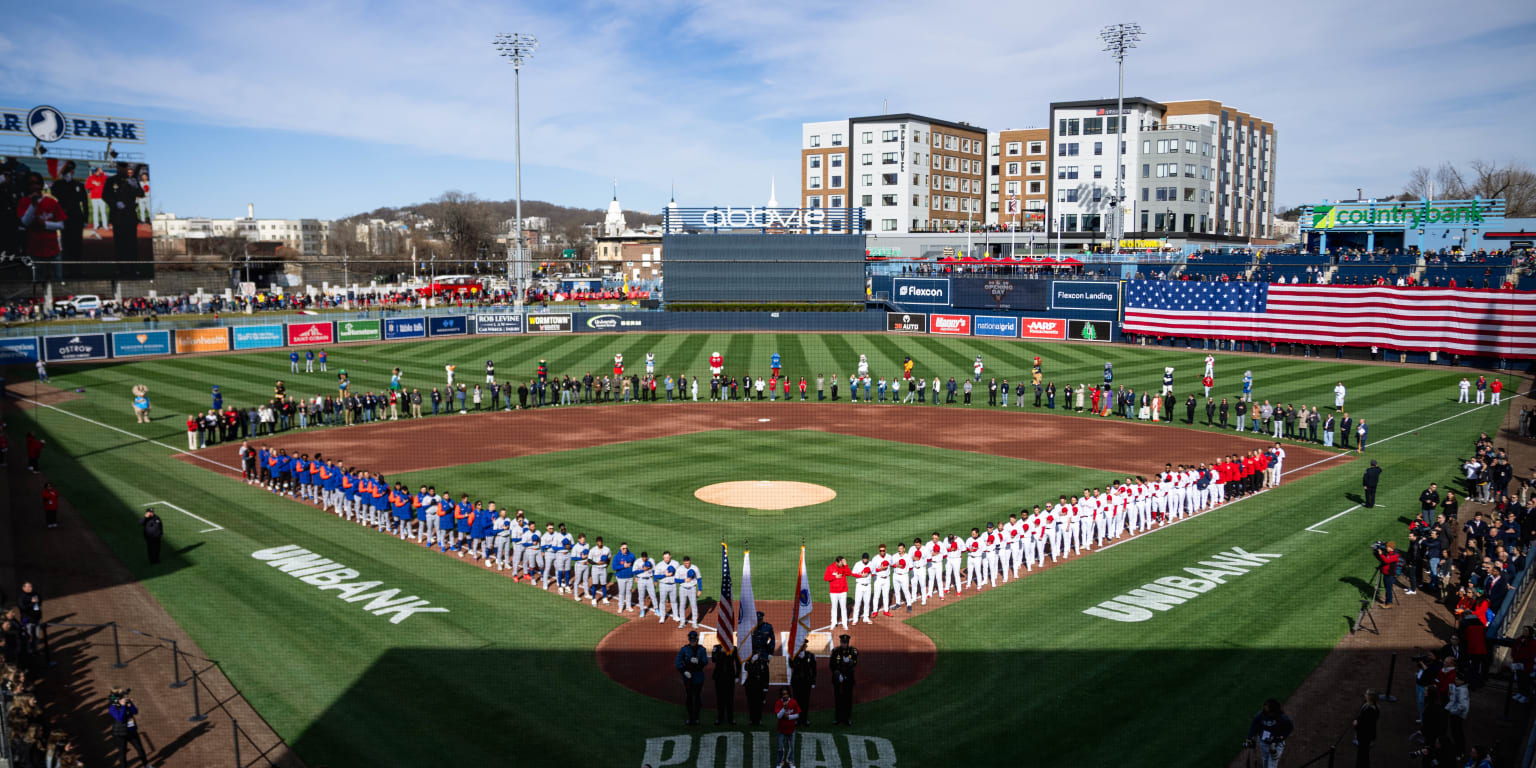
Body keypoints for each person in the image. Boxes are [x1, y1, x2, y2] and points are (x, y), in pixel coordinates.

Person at [675, 630, 709, 726]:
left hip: (698, 676)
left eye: (694, 640)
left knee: (697, 696)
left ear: (697, 640)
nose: (692, 642)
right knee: (689, 697)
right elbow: (678, 662)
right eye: (691, 640)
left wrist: (698, 662)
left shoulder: (702, 650)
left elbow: (705, 662)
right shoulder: (684, 649)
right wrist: (683, 671)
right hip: (688, 677)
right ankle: (690, 717)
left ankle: (697, 717)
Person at [1246, 698, 1292, 768]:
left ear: (1274, 711)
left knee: (1271, 766)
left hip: (1276, 745)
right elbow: (1253, 726)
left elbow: (1289, 728)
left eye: (1268, 710)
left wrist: (1279, 739)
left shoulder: (1282, 718)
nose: (1265, 711)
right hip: (1263, 743)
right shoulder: (1260, 715)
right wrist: (1249, 738)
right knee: (1265, 762)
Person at [109, 687, 149, 766]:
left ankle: (146, 765)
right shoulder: (112, 707)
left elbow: (135, 711)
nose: (124, 697)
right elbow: (121, 718)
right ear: (118, 697)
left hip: (131, 730)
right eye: (122, 696)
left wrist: (130, 705)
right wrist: (123, 706)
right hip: (120, 733)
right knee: (122, 752)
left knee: (140, 749)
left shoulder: (126, 702)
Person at [829, 634, 858, 726]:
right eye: (842, 642)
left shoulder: (853, 651)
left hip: (848, 679)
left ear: (848, 643)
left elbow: (855, 662)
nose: (844, 644)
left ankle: (847, 718)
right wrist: (837, 673)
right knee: (838, 699)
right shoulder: (835, 651)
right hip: (838, 679)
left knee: (848, 699)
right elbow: (831, 665)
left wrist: (849, 662)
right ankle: (838, 718)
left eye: (845, 643)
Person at [773, 687, 801, 768]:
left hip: (791, 729)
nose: (785, 696)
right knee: (780, 747)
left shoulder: (793, 702)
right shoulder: (778, 702)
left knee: (791, 747)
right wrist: (784, 708)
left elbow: (798, 715)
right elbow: (778, 716)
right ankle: (779, 763)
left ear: (789, 694)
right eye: (783, 694)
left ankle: (791, 762)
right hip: (781, 729)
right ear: (781, 695)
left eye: (786, 694)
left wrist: (788, 717)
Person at [789, 643, 817, 726]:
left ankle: (804, 719)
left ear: (805, 647)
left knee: (805, 701)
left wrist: (813, 681)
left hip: (806, 682)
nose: (802, 648)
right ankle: (797, 719)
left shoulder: (810, 655)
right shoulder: (793, 655)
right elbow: (791, 664)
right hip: (797, 682)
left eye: (804, 646)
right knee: (797, 701)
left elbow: (814, 669)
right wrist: (797, 656)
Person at [711, 643, 738, 725]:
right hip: (719, 677)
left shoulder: (734, 648)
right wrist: (722, 653)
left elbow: (737, 662)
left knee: (730, 698)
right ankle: (720, 718)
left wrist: (737, 675)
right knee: (720, 698)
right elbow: (714, 659)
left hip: (730, 677)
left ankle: (730, 719)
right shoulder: (716, 648)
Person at [743, 649, 771, 725]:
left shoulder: (764, 662)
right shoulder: (749, 661)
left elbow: (766, 675)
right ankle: (752, 719)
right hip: (750, 685)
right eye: (755, 652)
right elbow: (746, 668)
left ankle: (758, 719)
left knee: (759, 703)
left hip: (760, 685)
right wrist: (752, 661)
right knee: (751, 703)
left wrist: (766, 687)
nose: (757, 654)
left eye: (758, 652)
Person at [1352, 689, 1378, 768]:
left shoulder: (1369, 710)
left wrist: (1356, 724)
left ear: (1370, 698)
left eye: (1367, 694)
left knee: (1362, 753)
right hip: (1367, 735)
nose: (1365, 695)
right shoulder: (1371, 706)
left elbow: (1365, 724)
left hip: (1365, 735)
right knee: (1364, 752)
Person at [824, 556, 851, 629]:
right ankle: (833, 622)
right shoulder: (830, 567)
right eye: (841, 563)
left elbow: (849, 573)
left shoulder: (844, 567)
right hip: (833, 592)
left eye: (842, 563)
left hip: (843, 591)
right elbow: (825, 578)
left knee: (843, 608)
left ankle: (844, 623)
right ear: (837, 562)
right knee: (834, 607)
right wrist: (835, 577)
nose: (841, 565)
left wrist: (846, 565)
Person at [1374, 541, 1400, 607]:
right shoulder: (1389, 554)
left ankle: (1389, 603)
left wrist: (1381, 554)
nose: (1386, 548)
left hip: (1389, 575)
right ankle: (1387, 602)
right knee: (1387, 588)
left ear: (1391, 547)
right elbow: (1384, 560)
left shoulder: (1395, 555)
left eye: (1387, 547)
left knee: (1388, 589)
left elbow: (1386, 560)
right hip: (1386, 574)